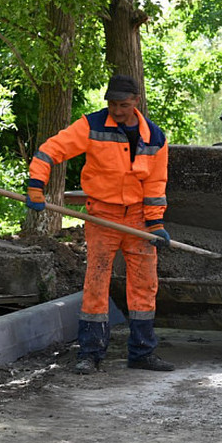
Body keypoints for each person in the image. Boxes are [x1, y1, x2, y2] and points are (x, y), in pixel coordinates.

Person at [26, 74, 175, 375]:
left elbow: (156, 184)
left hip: (137, 220)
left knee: (144, 286)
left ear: (136, 102)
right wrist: (35, 185)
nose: (116, 110)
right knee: (96, 282)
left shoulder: (155, 138)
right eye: (112, 104)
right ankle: (90, 354)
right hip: (102, 216)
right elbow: (51, 149)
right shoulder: (92, 125)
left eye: (123, 104)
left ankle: (143, 353)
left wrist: (155, 224)